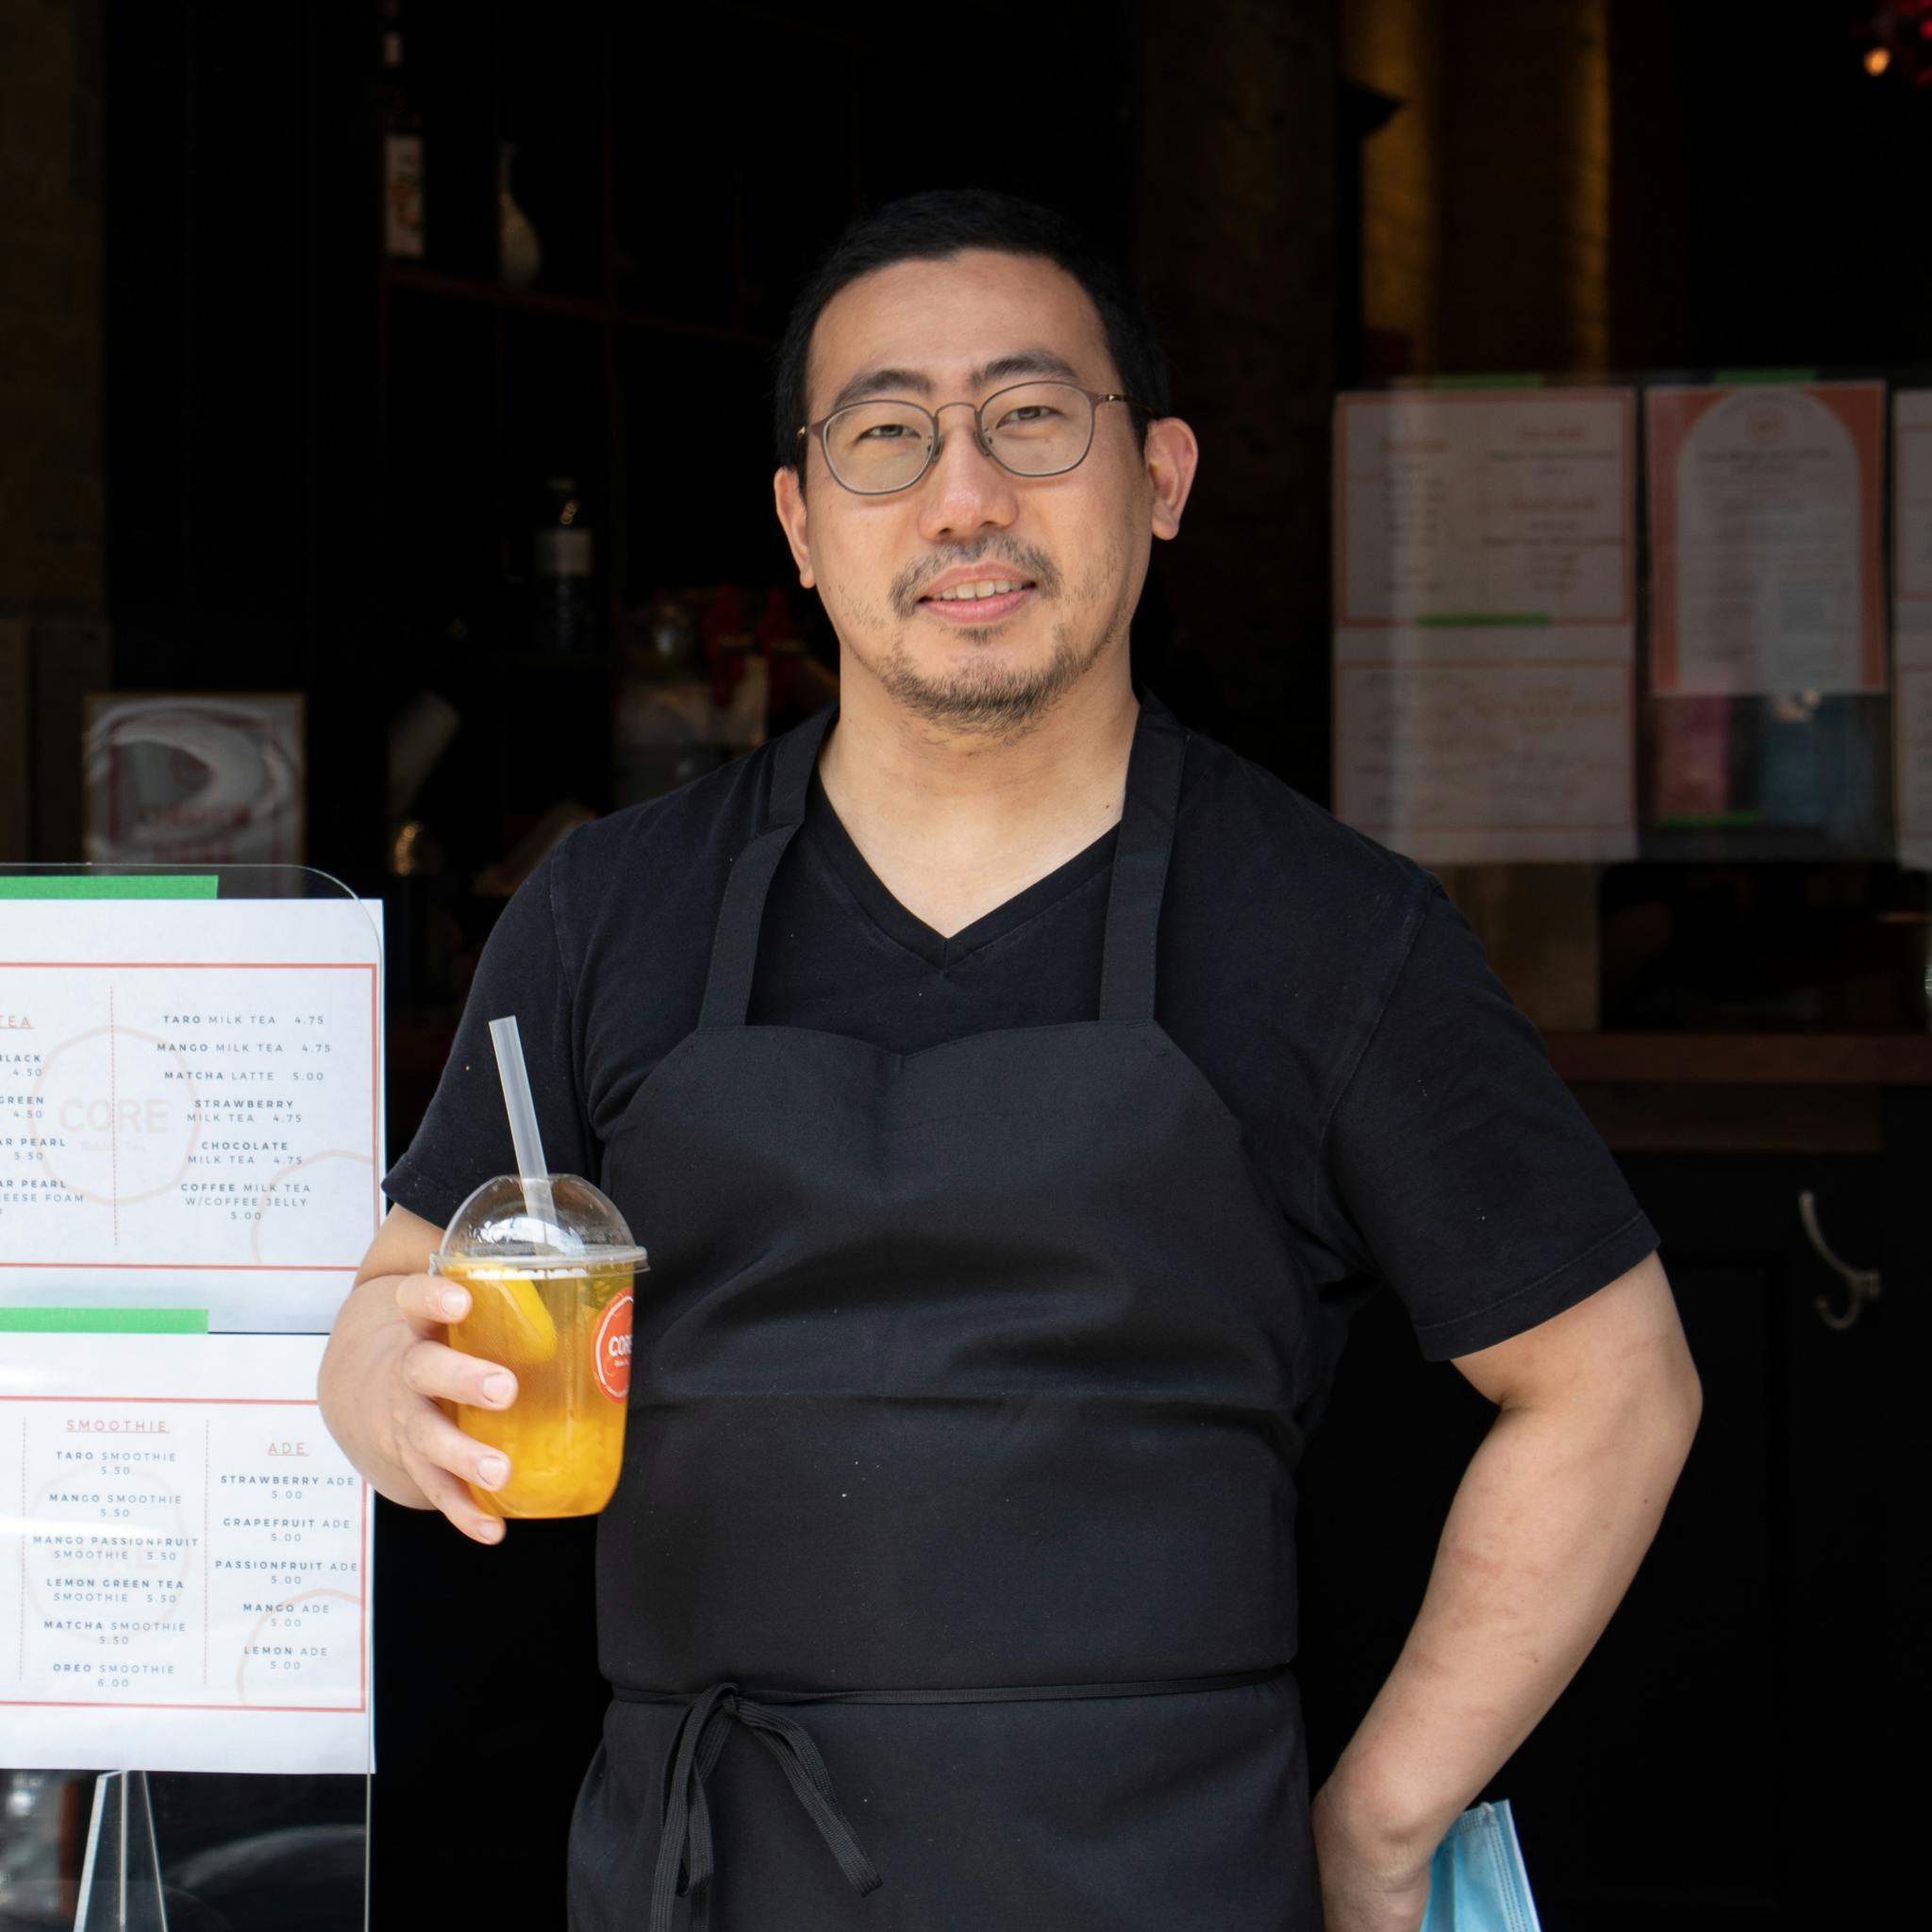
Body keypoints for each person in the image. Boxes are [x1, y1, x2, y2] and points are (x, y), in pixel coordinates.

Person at [319, 189, 1701, 1932]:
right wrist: (380, 1388)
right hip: (707, 1878)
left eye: (1034, 419)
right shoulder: (612, 908)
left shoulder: (1332, 932)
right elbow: (395, 1291)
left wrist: (1378, 1821)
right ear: (802, 526)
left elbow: (1614, 1383)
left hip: (1167, 1878)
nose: (965, 493)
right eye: (887, 435)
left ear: (1164, 479)